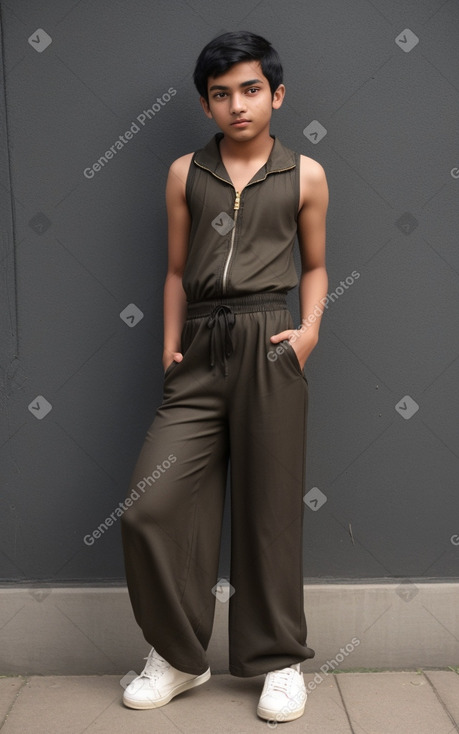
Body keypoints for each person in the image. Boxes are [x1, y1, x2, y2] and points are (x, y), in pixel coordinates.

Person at [120, 30, 329, 723]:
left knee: (269, 514)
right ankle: (180, 658)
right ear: (206, 105)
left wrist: (308, 333)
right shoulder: (185, 172)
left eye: (248, 90)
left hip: (271, 344)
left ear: (275, 95)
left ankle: (279, 663)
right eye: (220, 94)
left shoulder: (305, 175)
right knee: (151, 507)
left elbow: (318, 265)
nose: (236, 105)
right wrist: (169, 346)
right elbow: (177, 270)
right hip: (200, 350)